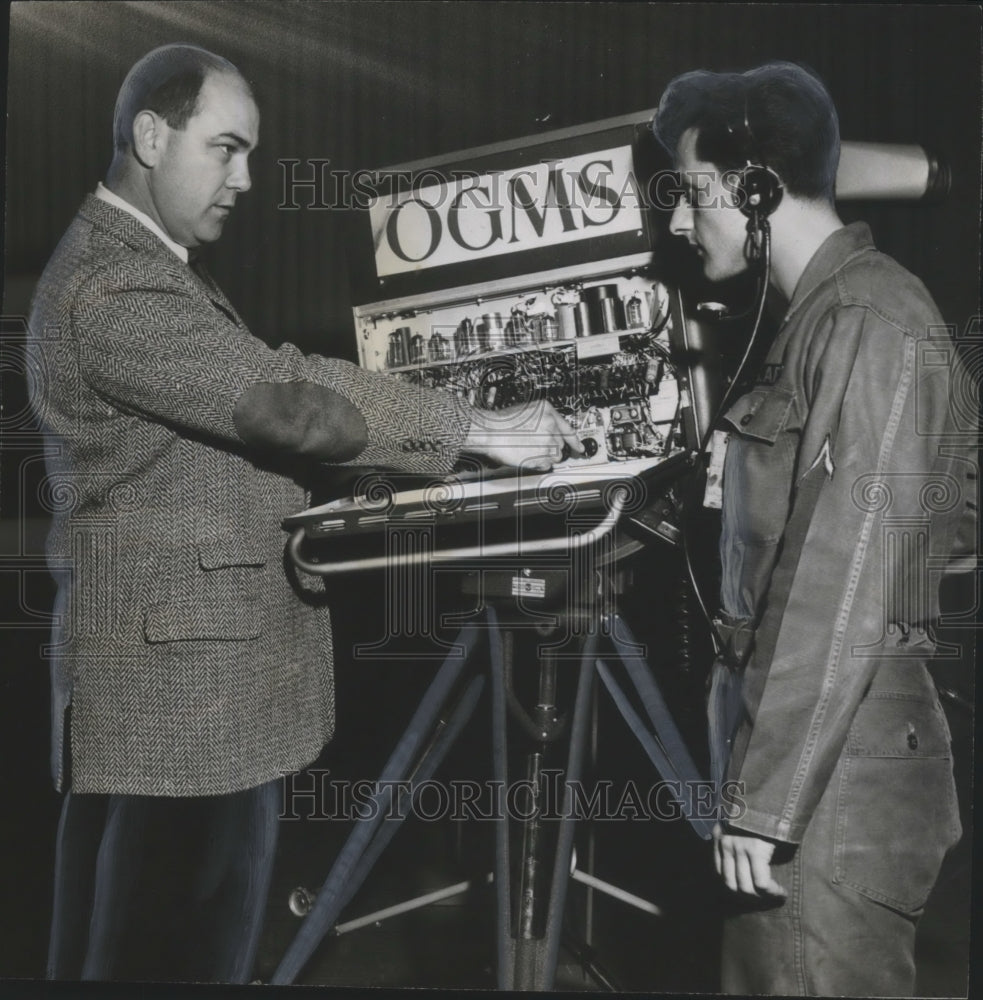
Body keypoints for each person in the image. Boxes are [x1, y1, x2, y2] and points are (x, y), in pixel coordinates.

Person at [26, 43, 582, 984]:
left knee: (130, 956)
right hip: (183, 714)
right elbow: (279, 403)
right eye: (227, 148)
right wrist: (474, 427)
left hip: (190, 697)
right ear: (151, 136)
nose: (245, 180)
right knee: (176, 961)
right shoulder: (116, 286)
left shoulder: (148, 264)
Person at [653, 62, 976, 996]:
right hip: (814, 758)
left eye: (693, 195)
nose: (678, 221)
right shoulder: (822, 322)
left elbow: (842, 586)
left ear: (754, 189)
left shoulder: (872, 322)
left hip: (831, 784)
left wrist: (766, 803)